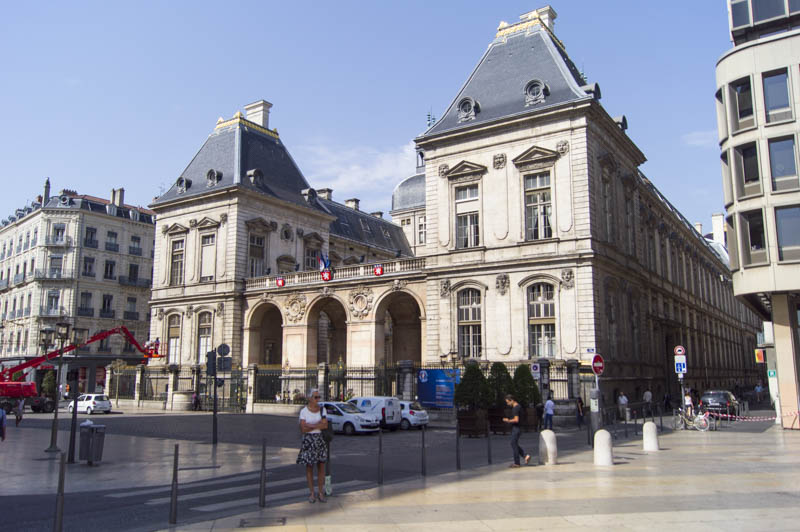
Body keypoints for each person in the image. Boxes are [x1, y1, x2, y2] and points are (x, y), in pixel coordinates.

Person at [297, 388, 328, 503]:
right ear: (310, 398)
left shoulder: (322, 410)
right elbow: (303, 428)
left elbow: (325, 426)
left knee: (321, 466)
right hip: (308, 440)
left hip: (319, 439)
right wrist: (317, 424)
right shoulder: (303, 411)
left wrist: (311, 425)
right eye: (315, 397)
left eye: (318, 397)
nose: (318, 399)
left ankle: (320, 492)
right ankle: (311, 493)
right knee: (309, 467)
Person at [502, 394, 530, 468]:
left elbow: (516, 420)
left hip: (516, 428)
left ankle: (517, 463)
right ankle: (525, 456)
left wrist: (508, 420)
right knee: (513, 443)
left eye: (508, 402)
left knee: (513, 443)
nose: (507, 404)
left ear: (512, 400)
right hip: (519, 427)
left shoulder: (515, 408)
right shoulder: (519, 406)